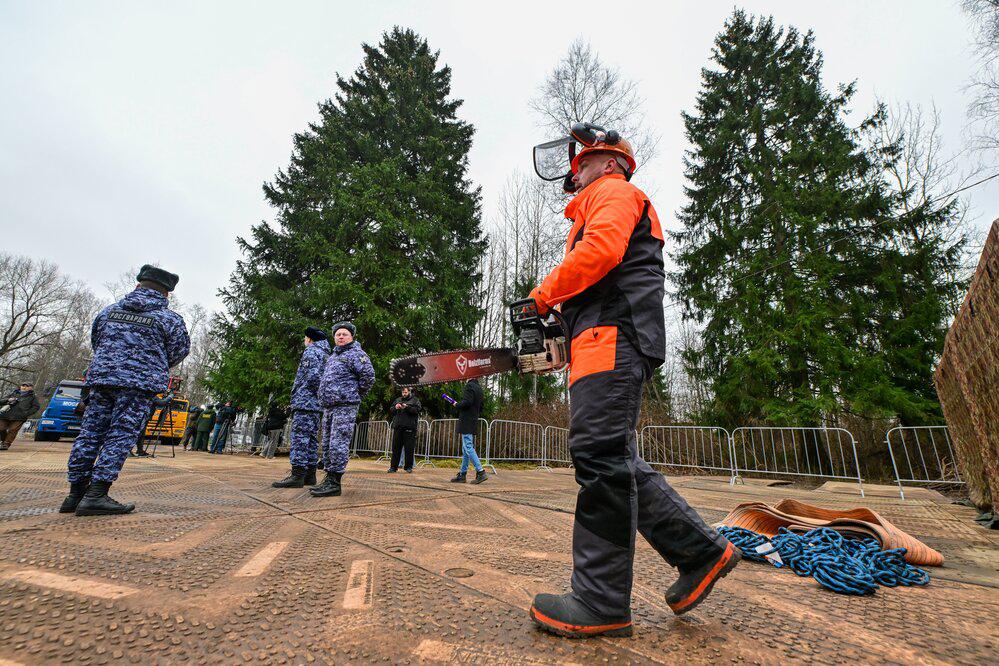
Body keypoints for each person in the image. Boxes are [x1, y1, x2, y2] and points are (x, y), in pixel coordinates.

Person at [526, 132, 737, 637]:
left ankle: (600, 601)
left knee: (599, 456)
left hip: (613, 339)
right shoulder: (597, 202)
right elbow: (601, 278)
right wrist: (565, 332)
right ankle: (701, 552)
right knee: (613, 455)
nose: (573, 171)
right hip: (602, 339)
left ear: (606, 160)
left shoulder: (614, 192)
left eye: (581, 161)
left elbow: (600, 253)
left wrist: (542, 297)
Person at [60, 265, 190, 516]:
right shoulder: (169, 319)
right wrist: (152, 362)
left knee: (90, 433)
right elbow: (178, 351)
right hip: (138, 386)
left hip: (102, 380)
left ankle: (75, 494)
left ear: (138, 285)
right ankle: (97, 494)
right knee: (120, 435)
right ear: (166, 294)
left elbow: (97, 340)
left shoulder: (109, 312)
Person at [311, 322, 374, 497]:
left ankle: (335, 483)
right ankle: (328, 478)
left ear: (352, 337)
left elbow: (368, 378)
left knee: (339, 444)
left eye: (344, 334)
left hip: (345, 406)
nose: (340, 337)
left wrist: (355, 394)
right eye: (338, 334)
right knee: (328, 444)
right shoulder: (333, 357)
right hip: (329, 406)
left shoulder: (357, 354)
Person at [273, 326, 331, 487]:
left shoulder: (312, 351)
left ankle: (297, 475)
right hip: (316, 405)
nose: (304, 341)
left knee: (299, 439)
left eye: (305, 338)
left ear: (310, 339)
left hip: (305, 402)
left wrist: (309, 395)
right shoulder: (326, 354)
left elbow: (312, 377)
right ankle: (310, 475)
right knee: (312, 439)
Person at [450, 378, 487, 485]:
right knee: (465, 448)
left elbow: (467, 402)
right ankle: (462, 474)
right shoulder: (479, 388)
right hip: (473, 420)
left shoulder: (469, 386)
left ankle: (480, 472)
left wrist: (457, 405)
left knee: (468, 447)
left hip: (466, 421)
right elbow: (481, 407)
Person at [388, 386, 421, 473]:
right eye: (403, 392)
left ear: (409, 392)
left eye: (405, 392)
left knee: (409, 449)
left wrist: (407, 407)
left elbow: (417, 411)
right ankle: (393, 467)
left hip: (410, 428)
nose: (404, 394)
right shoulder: (398, 400)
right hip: (398, 427)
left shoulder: (415, 400)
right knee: (396, 448)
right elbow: (391, 410)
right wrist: (396, 407)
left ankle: (408, 467)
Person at [0, 381, 41, 450]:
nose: (24, 387)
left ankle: (6, 444)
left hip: (19, 417)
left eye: (26, 386)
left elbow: (36, 407)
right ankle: (3, 441)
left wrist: (26, 413)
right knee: (1, 428)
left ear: (31, 388)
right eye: (23, 385)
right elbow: (1, 401)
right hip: (5, 415)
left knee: (13, 430)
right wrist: (8, 399)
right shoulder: (13, 394)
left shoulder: (33, 397)